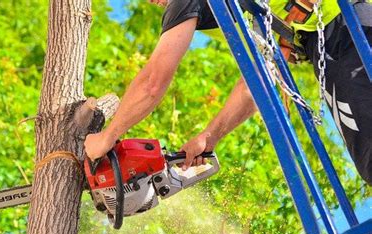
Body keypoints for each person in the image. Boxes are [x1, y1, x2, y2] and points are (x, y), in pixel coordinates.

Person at [84, 0, 372, 184]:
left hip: (349, 34)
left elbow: (152, 83)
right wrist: (209, 137)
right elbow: (256, 82)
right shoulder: (243, 12)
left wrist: (105, 138)